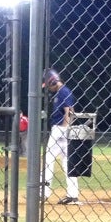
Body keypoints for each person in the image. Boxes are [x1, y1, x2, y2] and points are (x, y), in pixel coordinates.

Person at [42, 68, 80, 204]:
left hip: (60, 130)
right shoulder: (61, 92)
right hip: (63, 131)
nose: (48, 89)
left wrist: (65, 129)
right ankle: (73, 195)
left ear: (53, 82)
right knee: (67, 163)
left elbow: (69, 112)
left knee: (48, 159)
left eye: (48, 85)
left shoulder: (64, 92)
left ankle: (44, 193)